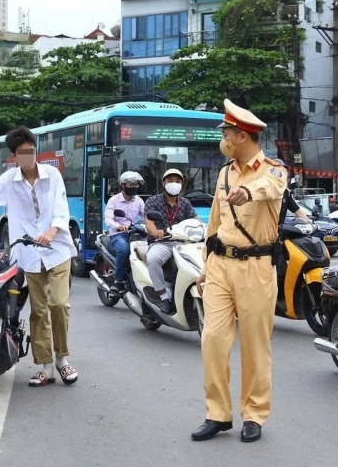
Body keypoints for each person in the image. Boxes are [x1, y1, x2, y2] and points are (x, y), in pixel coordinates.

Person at [0, 126, 78, 387]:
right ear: (14, 156)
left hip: (57, 250)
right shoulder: (9, 180)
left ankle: (62, 359)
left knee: (59, 304)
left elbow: (61, 210)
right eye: (22, 153)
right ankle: (45, 367)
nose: (28, 157)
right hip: (28, 254)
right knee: (38, 311)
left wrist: (51, 233)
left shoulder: (52, 175)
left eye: (31, 151)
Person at [191, 100, 285, 444]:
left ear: (242, 136)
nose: (225, 139)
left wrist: (247, 191)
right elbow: (214, 223)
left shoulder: (273, 170)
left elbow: (270, 188)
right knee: (212, 339)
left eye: (228, 133)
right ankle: (217, 413)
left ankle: (254, 414)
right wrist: (205, 265)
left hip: (255, 267)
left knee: (255, 345)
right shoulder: (225, 172)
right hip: (220, 265)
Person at [143, 168, 199, 313]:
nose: (174, 184)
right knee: (153, 259)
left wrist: (201, 228)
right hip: (162, 242)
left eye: (177, 181)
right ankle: (163, 296)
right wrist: (155, 232)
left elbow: (195, 220)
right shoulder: (153, 201)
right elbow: (149, 222)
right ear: (164, 183)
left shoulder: (185, 203)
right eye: (170, 181)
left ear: (182, 184)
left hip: (183, 243)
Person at [104, 171, 146, 292]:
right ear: (123, 185)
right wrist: (118, 226)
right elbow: (108, 219)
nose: (134, 187)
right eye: (131, 184)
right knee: (124, 250)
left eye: (136, 184)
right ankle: (118, 280)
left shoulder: (139, 201)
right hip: (118, 235)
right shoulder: (113, 200)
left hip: (135, 233)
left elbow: (146, 215)